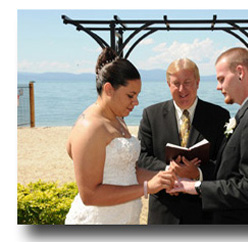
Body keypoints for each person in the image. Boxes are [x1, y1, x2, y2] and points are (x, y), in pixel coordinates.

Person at [169, 47, 248, 224]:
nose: (218, 86)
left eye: (221, 79)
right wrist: (197, 174)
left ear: (240, 73)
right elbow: (231, 171)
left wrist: (196, 187)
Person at [65, 47, 175, 225]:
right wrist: (147, 188)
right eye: (130, 95)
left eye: (137, 95)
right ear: (109, 89)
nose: (136, 102)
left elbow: (128, 171)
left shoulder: (118, 119)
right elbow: (90, 195)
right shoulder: (89, 127)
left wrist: (162, 176)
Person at [137, 58, 230, 224]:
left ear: (197, 82)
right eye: (176, 83)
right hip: (163, 212)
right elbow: (141, 157)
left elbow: (225, 163)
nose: (182, 89)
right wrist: (169, 172)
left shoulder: (219, 116)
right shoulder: (151, 115)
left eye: (187, 82)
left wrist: (197, 173)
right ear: (168, 84)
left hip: (203, 214)